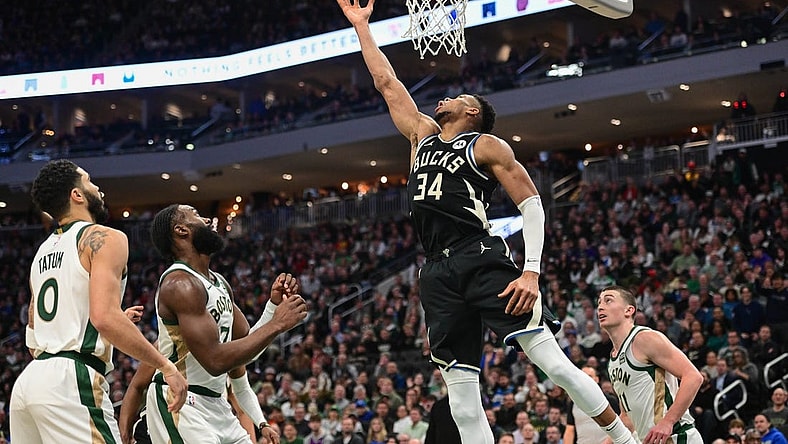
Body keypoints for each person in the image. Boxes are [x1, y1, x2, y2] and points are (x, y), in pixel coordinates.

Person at [336, 2, 638, 444]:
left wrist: (531, 271)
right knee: (460, 398)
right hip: (436, 271)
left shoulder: (486, 145)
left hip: (479, 257)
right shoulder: (421, 135)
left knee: (553, 365)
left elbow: (532, 203)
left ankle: (626, 441)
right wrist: (362, 27)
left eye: (457, 98)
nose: (444, 98)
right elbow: (386, 81)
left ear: (472, 113)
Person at [9, 160, 188, 443]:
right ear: (77, 195)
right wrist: (166, 367)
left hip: (28, 384)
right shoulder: (106, 237)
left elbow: (33, 339)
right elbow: (104, 318)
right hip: (69, 383)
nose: (97, 187)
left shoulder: (41, 252)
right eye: (89, 181)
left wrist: (109, 324)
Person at [145, 204, 308, 443]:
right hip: (182, 402)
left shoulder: (219, 282)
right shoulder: (180, 284)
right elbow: (215, 361)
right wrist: (277, 325)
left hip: (217, 401)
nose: (208, 219)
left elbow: (245, 349)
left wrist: (272, 309)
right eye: (196, 215)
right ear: (181, 230)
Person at [598, 285, 704, 444]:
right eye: (599, 302)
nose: (600, 307)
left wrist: (668, 421)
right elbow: (627, 417)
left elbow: (693, 377)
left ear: (629, 310)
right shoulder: (612, 362)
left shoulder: (644, 338)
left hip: (676, 437)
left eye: (608, 301)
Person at [564, 366, 622, 444]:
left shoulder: (610, 400)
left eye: (589, 376)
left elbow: (620, 426)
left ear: (597, 379)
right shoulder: (573, 403)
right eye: (582, 376)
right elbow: (569, 430)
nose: (585, 379)